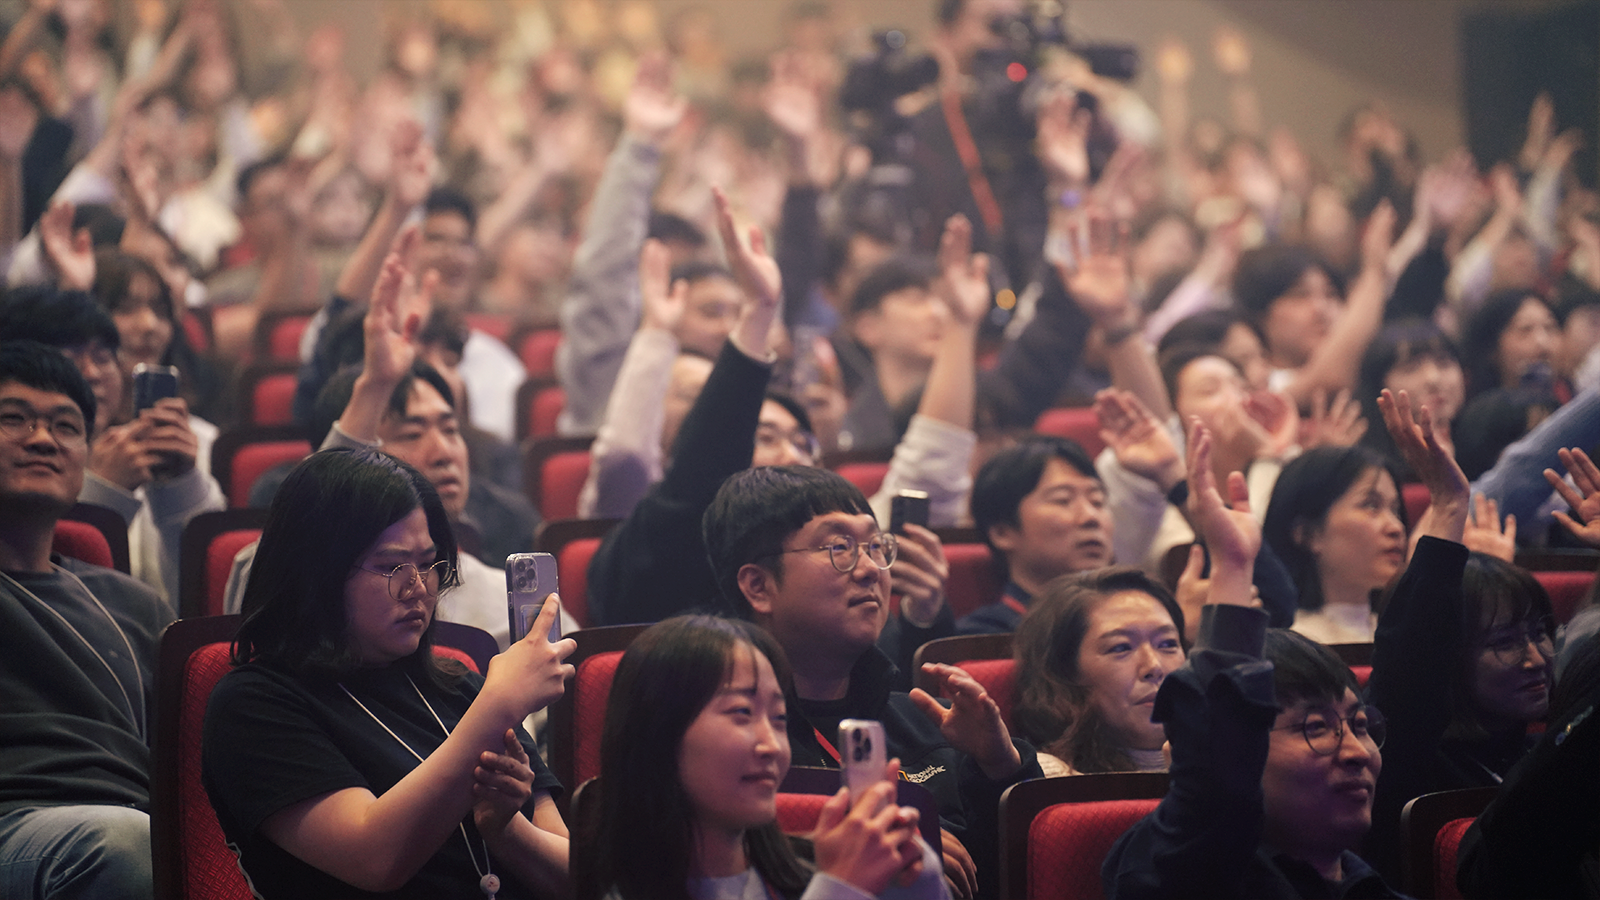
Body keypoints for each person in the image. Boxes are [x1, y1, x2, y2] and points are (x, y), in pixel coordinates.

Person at [202, 449, 574, 899]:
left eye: (428, 563)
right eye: (391, 566)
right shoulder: (254, 704)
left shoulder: (462, 687)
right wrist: (498, 709)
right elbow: (374, 859)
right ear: (318, 572)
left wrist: (506, 831)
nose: (417, 587)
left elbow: (576, 880)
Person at [703, 464, 1044, 900]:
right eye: (839, 546)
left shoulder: (931, 724)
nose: (870, 569)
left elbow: (1017, 878)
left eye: (875, 545)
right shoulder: (729, 742)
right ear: (758, 586)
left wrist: (1000, 767)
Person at [1104, 417, 1402, 898]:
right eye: (1317, 728)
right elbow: (1218, 777)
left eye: (1361, 725)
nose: (1355, 753)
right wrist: (1232, 568)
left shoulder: (1371, 885)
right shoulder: (1187, 870)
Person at [572, 615, 947, 900]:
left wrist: (917, 880)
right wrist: (840, 889)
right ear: (659, 731)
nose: (772, 745)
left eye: (779, 718)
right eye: (742, 713)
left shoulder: (807, 872)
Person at [0, 339, 173, 898]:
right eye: (14, 419)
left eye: (66, 425)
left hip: (139, 817)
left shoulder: (135, 603)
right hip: (19, 821)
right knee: (127, 843)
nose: (43, 438)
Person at [1360, 389, 1554, 881]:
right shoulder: (1409, 758)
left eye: (1540, 634)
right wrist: (1449, 508)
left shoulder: (1546, 750)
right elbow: (1412, 663)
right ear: (1452, 658)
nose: (1535, 659)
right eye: (1505, 643)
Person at [0, 286, 225, 605]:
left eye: (103, 357)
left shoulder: (153, 452)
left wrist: (180, 488)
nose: (92, 373)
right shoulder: (22, 469)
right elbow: (53, 599)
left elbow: (206, 599)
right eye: (69, 356)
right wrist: (104, 491)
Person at [1011, 567, 1186, 777]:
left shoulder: (1229, 758)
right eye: (1121, 647)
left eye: (1168, 644)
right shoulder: (1050, 780)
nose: (1154, 666)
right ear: (1066, 674)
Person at [1263, 445, 1410, 644]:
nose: (1396, 527)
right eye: (1371, 505)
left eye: (1395, 510)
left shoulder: (1405, 635)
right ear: (1308, 534)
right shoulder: (1291, 644)